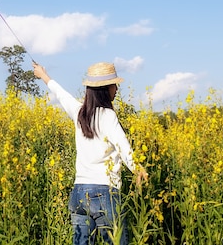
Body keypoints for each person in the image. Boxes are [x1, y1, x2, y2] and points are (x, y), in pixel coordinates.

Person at [33, 61, 148, 245]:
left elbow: (61, 94)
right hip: (105, 194)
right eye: (113, 85)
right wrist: (139, 169)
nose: (116, 89)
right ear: (104, 89)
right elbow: (124, 148)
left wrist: (44, 76)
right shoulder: (108, 116)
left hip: (79, 194)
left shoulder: (79, 112)